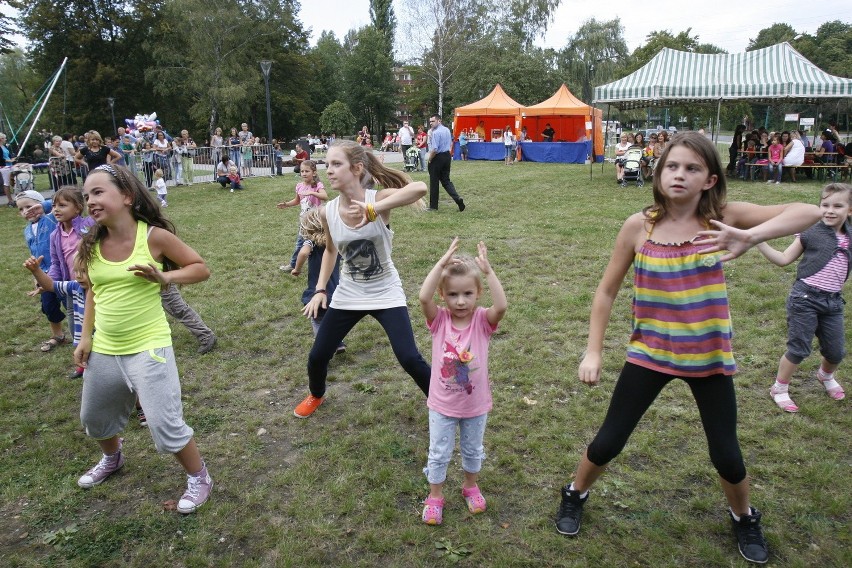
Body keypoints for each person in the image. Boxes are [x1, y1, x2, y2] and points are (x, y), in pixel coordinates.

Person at [553, 132, 821, 565]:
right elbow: (606, 291)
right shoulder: (639, 226)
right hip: (650, 354)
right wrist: (593, 350)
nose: (680, 175)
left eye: (693, 168)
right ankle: (574, 492)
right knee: (608, 441)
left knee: (727, 455)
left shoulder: (724, 219)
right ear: (658, 173)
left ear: (710, 180)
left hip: (708, 358)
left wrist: (752, 236)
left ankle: (744, 516)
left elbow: (807, 212)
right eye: (672, 166)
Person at [73, 164, 213, 514]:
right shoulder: (90, 243)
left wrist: (165, 278)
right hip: (105, 347)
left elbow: (200, 268)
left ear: (126, 196)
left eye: (98, 192)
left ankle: (199, 477)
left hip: (149, 345)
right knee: (94, 417)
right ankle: (113, 458)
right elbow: (93, 291)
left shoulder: (152, 237)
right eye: (87, 194)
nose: (90, 200)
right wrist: (85, 337)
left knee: (165, 423)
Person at [293, 140, 431, 418]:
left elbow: (419, 188)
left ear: (356, 168)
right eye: (327, 165)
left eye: (336, 164)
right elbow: (332, 250)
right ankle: (316, 394)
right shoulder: (327, 211)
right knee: (318, 356)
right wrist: (321, 289)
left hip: (386, 291)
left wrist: (374, 210)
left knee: (408, 357)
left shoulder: (377, 200)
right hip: (349, 293)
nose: (329, 171)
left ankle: (442, 399)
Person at [418, 238, 507, 526]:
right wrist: (442, 264)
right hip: (442, 404)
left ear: (478, 293)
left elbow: (502, 306)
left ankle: (471, 485)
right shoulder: (439, 321)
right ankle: (435, 495)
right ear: (443, 295)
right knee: (439, 451)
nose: (460, 301)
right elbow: (423, 297)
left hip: (475, 404)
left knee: (472, 449)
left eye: (467, 293)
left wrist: (489, 271)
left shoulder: (483, 321)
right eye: (453, 294)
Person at [757, 183, 851, 412]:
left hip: (833, 302)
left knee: (836, 351)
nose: (829, 210)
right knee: (799, 348)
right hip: (805, 299)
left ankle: (825, 376)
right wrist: (756, 240)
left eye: (837, 206)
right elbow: (783, 259)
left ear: (849, 210)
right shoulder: (810, 231)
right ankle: (779, 388)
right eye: (825, 204)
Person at [45, 186, 94, 377]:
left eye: (62, 205)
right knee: (76, 327)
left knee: (93, 325)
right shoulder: (54, 235)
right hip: (71, 288)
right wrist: (50, 282)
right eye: (54, 205)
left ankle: (100, 358)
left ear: (78, 207)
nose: (56, 209)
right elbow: (56, 263)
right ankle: (82, 364)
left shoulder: (88, 226)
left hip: (91, 285)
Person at [17, 190, 67, 351]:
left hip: (62, 271)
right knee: (48, 306)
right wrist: (36, 274)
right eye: (21, 209)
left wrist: (43, 206)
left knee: (72, 303)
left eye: (29, 206)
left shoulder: (51, 218)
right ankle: (58, 335)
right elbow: (33, 252)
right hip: (43, 275)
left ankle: (87, 331)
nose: (26, 211)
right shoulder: (27, 230)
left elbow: (57, 203)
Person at [296, 208, 346, 353]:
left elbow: (303, 253)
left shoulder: (311, 241)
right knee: (332, 320)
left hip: (318, 291)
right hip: (337, 291)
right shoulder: (335, 241)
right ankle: (338, 343)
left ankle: (324, 348)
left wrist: (297, 268)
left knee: (317, 320)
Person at [277, 159, 328, 273]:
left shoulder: (317, 185)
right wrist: (286, 204)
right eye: (302, 171)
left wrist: (312, 192)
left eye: (307, 171)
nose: (304, 173)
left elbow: (324, 196)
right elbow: (297, 200)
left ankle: (327, 264)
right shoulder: (299, 186)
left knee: (320, 244)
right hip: (304, 222)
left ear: (314, 173)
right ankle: (293, 265)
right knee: (299, 244)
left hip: (316, 223)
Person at [427, 115, 465, 212]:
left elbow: (434, 149)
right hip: (447, 156)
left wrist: (430, 159)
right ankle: (457, 199)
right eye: (430, 121)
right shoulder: (447, 130)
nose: (431, 123)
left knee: (434, 182)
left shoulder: (435, 133)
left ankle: (433, 206)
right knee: (446, 181)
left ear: (439, 121)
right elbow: (450, 143)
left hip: (437, 157)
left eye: (433, 121)